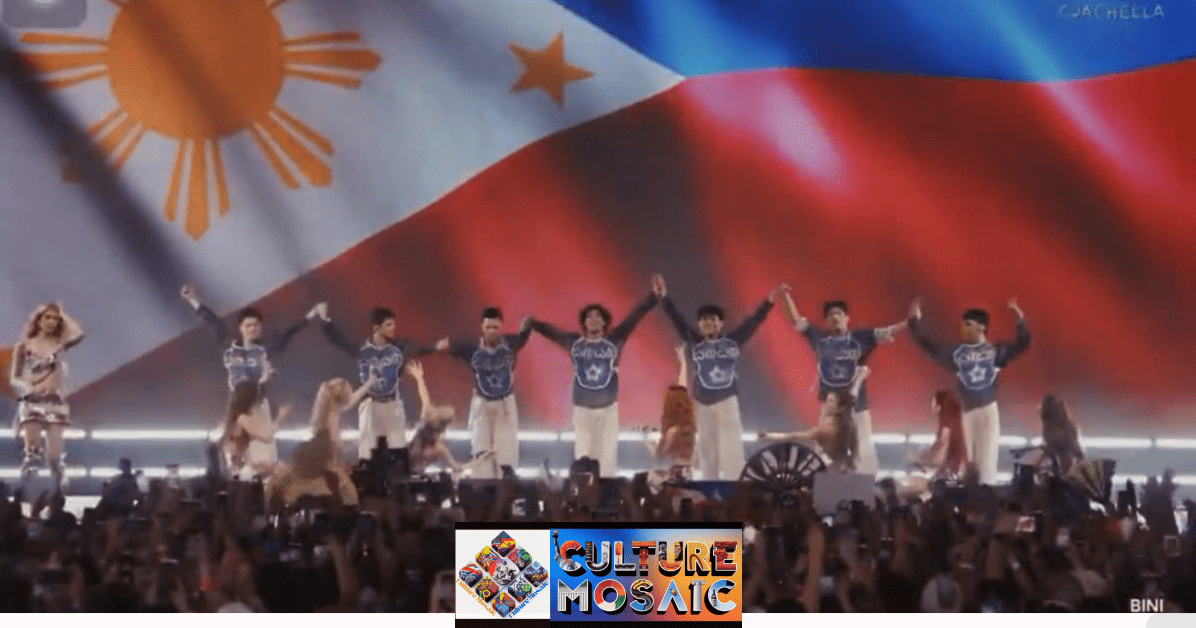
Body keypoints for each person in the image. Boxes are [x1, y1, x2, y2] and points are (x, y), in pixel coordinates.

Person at [529, 275, 663, 477]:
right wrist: (534, 324)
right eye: (589, 316)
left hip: (608, 410)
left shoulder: (615, 339)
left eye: (598, 316)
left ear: (605, 322)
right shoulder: (574, 343)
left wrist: (653, 297)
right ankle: (584, 498)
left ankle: (606, 500)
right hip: (582, 411)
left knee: (607, 457)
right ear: (583, 322)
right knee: (584, 456)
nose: (593, 319)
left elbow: (634, 317)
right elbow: (553, 333)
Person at [661, 280, 786, 479]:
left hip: (727, 402)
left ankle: (733, 490)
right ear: (699, 324)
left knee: (731, 449)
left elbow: (751, 323)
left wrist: (768, 303)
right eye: (703, 320)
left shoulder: (732, 341)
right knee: (706, 449)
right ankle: (708, 489)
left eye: (712, 319)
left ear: (720, 323)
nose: (707, 323)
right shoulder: (694, 341)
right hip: (702, 404)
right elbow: (678, 320)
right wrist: (664, 299)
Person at [180, 284, 321, 447]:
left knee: (261, 447)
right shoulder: (228, 345)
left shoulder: (266, 348)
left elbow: (289, 331)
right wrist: (193, 299)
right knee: (234, 447)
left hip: (258, 406)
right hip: (236, 404)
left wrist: (311, 315)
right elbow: (212, 321)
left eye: (256, 325)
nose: (253, 328)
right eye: (249, 325)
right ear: (240, 328)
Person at [908, 298, 1030, 484]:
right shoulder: (957, 353)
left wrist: (1020, 319)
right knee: (972, 463)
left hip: (988, 410)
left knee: (987, 462)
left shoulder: (994, 351)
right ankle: (974, 497)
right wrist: (914, 323)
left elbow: (1021, 344)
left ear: (981, 327)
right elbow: (931, 348)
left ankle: (986, 496)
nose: (963, 329)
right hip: (967, 413)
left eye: (968, 324)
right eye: (963, 324)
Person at [781, 295, 906, 474]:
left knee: (863, 455)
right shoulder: (819, 338)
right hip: (830, 408)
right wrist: (785, 296)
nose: (835, 317)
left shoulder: (862, 337)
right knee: (826, 454)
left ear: (847, 318)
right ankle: (827, 496)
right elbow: (795, 319)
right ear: (826, 321)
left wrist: (910, 321)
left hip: (857, 407)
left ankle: (866, 496)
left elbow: (889, 331)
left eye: (839, 313)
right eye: (831, 314)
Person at [318, 305, 436, 460]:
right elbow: (341, 340)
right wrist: (325, 320)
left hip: (392, 405)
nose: (393, 328)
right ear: (376, 328)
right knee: (368, 454)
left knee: (397, 453)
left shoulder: (399, 347)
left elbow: (417, 349)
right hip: (370, 406)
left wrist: (435, 347)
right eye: (388, 325)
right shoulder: (363, 350)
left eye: (393, 324)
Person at [434, 307, 532, 479]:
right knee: (481, 453)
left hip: (504, 404)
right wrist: (444, 346)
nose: (492, 331)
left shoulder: (510, 343)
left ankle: (505, 496)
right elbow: (450, 346)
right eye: (488, 328)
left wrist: (527, 325)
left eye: (495, 327)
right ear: (482, 327)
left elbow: (523, 336)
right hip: (481, 405)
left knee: (505, 455)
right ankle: (482, 493)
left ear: (501, 326)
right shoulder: (471, 348)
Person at [9, 303, 85, 489]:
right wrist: (28, 387)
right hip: (33, 400)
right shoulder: (24, 346)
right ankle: (25, 496)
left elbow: (79, 335)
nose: (51, 322)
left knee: (54, 457)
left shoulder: (58, 345)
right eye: (47, 317)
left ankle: (58, 494)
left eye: (55, 319)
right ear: (39, 320)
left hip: (55, 402)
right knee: (32, 453)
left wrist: (63, 314)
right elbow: (15, 377)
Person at [762, 366, 867, 473]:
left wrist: (769, 436)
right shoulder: (839, 416)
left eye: (830, 401)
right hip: (838, 464)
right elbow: (852, 396)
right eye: (827, 400)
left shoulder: (826, 429)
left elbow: (793, 436)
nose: (826, 403)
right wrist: (858, 378)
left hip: (834, 466)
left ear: (837, 407)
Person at [404, 361, 494, 475]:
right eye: (437, 410)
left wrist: (481, 459)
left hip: (413, 475)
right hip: (403, 468)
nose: (432, 410)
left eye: (437, 412)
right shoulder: (427, 422)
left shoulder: (438, 448)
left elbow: (457, 468)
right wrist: (419, 378)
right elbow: (424, 397)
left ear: (436, 423)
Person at [221, 366, 294, 478]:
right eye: (256, 398)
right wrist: (279, 419)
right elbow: (267, 436)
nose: (258, 402)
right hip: (238, 474)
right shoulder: (242, 418)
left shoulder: (237, 418)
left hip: (242, 470)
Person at [642, 344, 698, 480]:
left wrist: (646, 438)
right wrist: (683, 361)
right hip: (684, 467)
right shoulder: (688, 425)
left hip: (675, 468)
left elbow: (660, 453)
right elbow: (682, 387)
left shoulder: (673, 430)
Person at [308, 371, 380, 461]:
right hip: (326, 459)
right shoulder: (331, 419)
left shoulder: (326, 408)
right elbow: (335, 445)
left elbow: (354, 398)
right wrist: (353, 445)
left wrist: (371, 381)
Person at [910, 390, 968, 480]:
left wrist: (922, 459)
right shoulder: (954, 419)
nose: (931, 406)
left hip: (954, 468)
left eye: (933, 402)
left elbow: (943, 442)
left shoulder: (947, 420)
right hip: (955, 466)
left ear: (939, 406)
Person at [1039, 394, 1084, 476]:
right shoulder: (1049, 423)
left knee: (1065, 466)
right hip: (1057, 450)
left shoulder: (1064, 424)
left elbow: (1070, 441)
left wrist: (1078, 453)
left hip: (1064, 451)